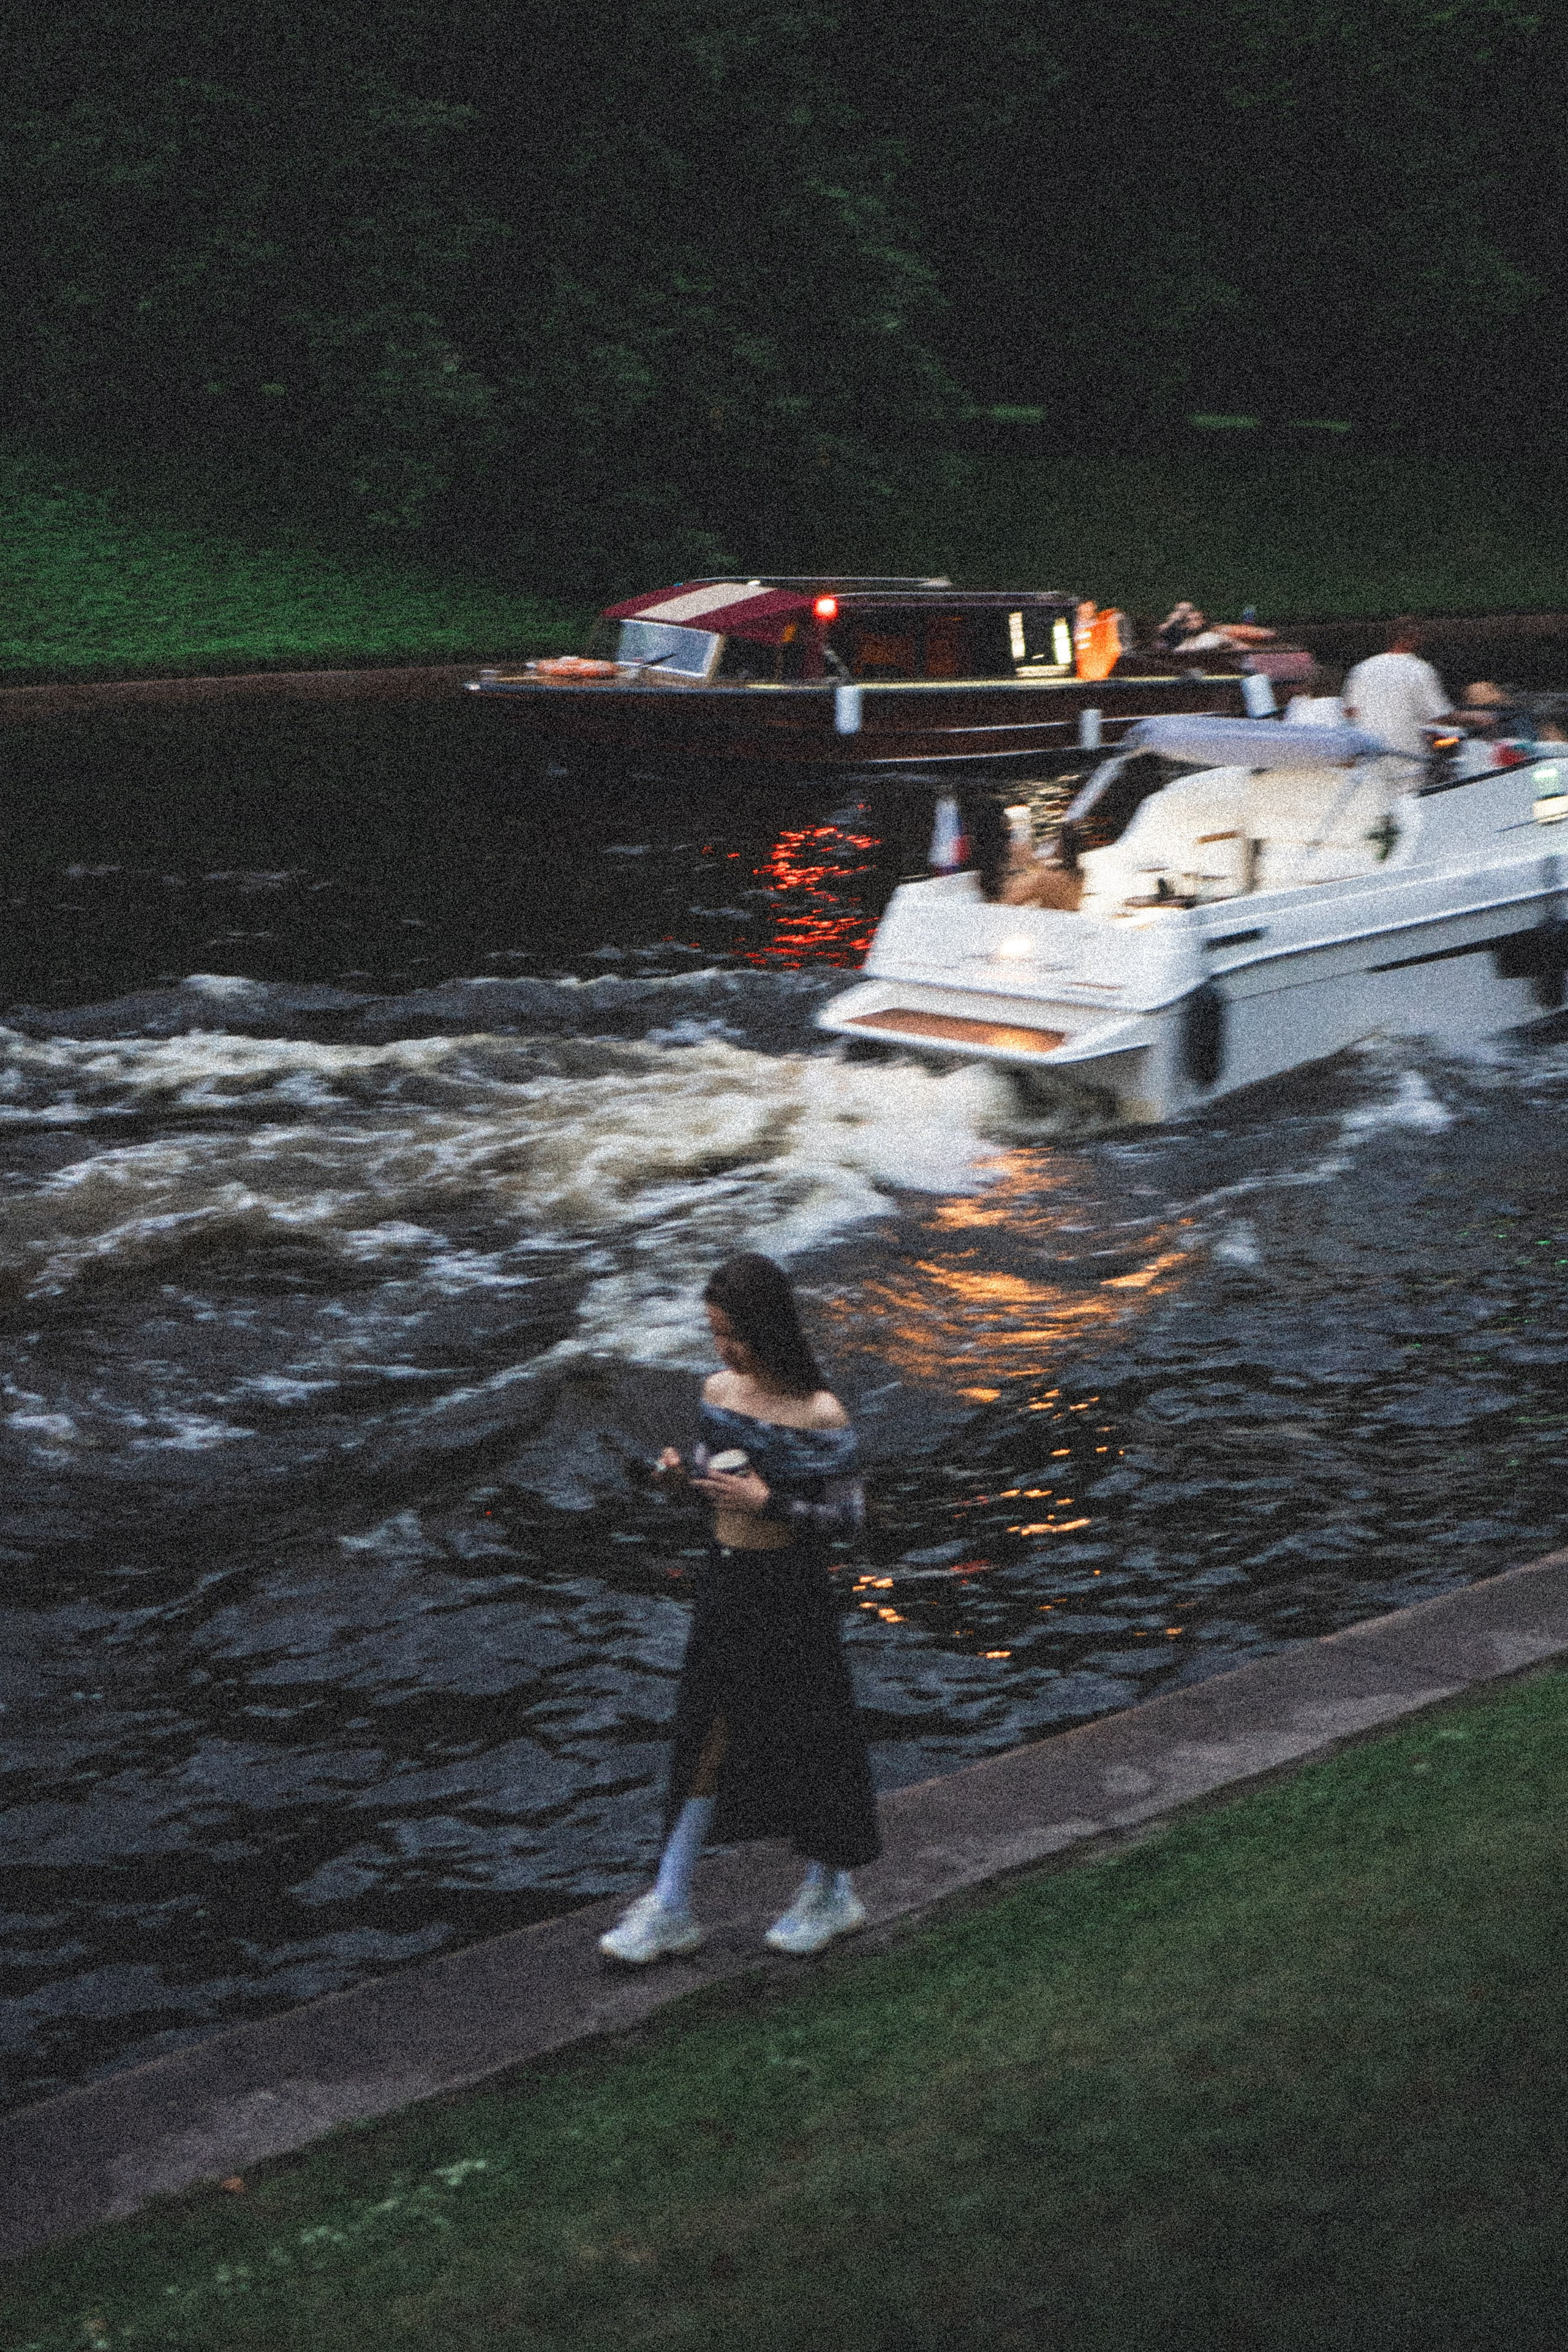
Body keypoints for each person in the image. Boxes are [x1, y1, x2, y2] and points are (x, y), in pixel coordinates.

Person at [598, 1253, 880, 1967]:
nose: (724, 1347)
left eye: (735, 1333)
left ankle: (830, 1890)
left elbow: (849, 1519)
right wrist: (676, 1479)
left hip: (789, 1588)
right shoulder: (717, 1391)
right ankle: (670, 1904)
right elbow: (709, 1476)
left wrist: (770, 1503)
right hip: (726, 1580)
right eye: (715, 1331)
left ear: (769, 1329)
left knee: (809, 1739)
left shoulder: (820, 1413)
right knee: (705, 1741)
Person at [1342, 621, 1452, 756]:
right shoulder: (1420, 669)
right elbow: (1440, 716)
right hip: (1410, 760)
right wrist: (1478, 719)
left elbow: (1349, 713)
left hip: (1369, 762)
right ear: (1414, 639)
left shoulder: (1361, 669)